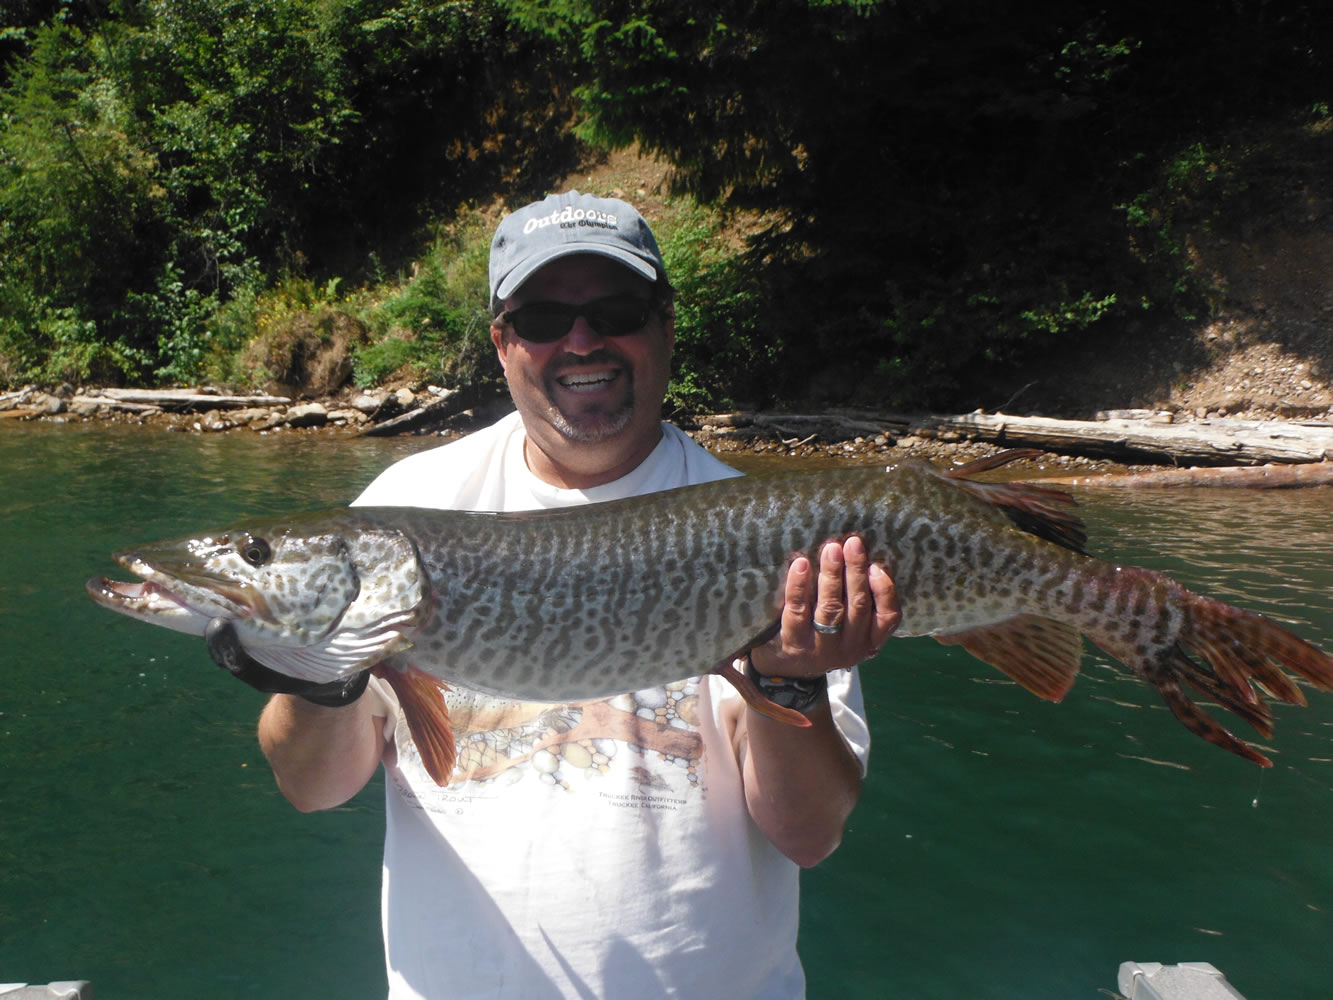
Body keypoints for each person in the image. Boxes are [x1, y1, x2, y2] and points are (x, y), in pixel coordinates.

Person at [254, 191, 900, 999]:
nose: (581, 340)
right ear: (501, 343)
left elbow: (806, 836)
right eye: (542, 318)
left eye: (616, 310)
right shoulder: (407, 510)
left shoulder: (768, 533)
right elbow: (312, 788)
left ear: (663, 326)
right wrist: (320, 680)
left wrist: (790, 682)